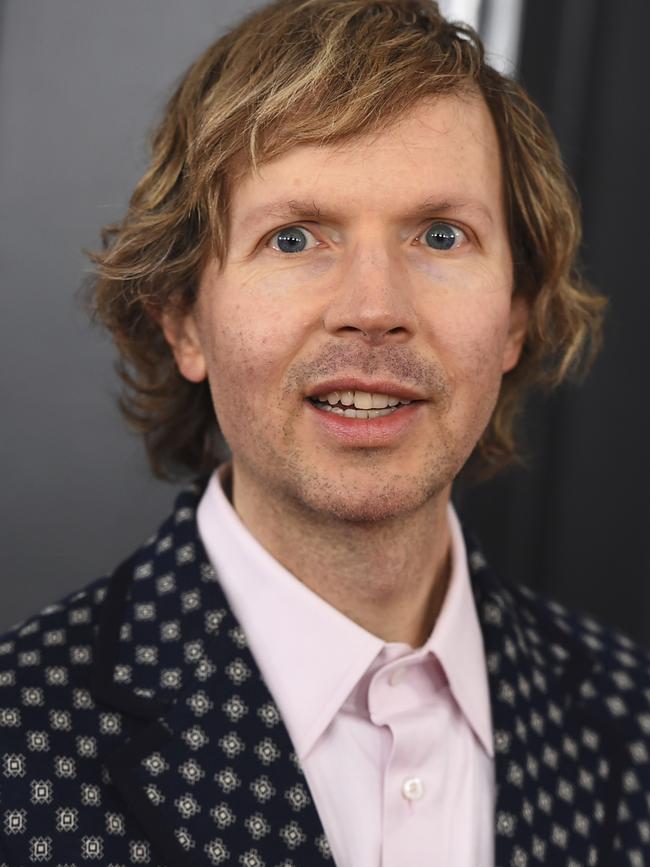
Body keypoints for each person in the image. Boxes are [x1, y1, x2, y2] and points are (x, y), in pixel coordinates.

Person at [0, 0, 648, 864]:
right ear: (184, 320)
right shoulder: (19, 741)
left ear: (515, 322)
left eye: (441, 234)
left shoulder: (630, 719)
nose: (374, 309)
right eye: (296, 237)